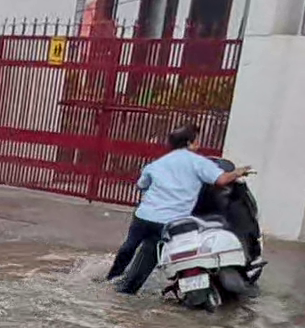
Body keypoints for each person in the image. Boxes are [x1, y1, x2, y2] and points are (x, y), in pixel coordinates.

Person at [107, 123, 252, 294]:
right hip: (169, 221)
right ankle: (130, 288)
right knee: (151, 254)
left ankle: (111, 278)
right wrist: (238, 172)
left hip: (143, 216)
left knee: (129, 246)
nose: (199, 144)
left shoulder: (158, 163)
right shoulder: (198, 163)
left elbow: (142, 184)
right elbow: (221, 180)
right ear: (190, 143)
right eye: (197, 140)